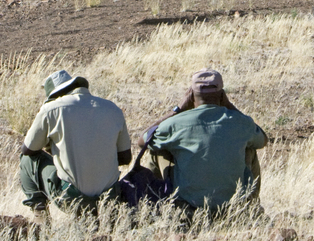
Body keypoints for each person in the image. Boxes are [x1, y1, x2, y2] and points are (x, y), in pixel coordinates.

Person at [139, 69, 267, 217]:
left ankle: (156, 204)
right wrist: (229, 106)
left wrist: (177, 110)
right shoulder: (240, 123)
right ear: (222, 95)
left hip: (188, 208)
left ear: (191, 95)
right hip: (232, 207)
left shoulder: (175, 124)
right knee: (250, 148)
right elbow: (263, 139)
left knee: (157, 148)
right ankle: (250, 206)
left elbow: (143, 140)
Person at [19, 70, 132, 221]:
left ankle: (41, 218)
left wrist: (55, 146)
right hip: (109, 197)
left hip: (71, 198)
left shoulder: (51, 109)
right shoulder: (113, 109)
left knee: (27, 161)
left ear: (54, 95)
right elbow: (125, 158)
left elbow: (28, 149)